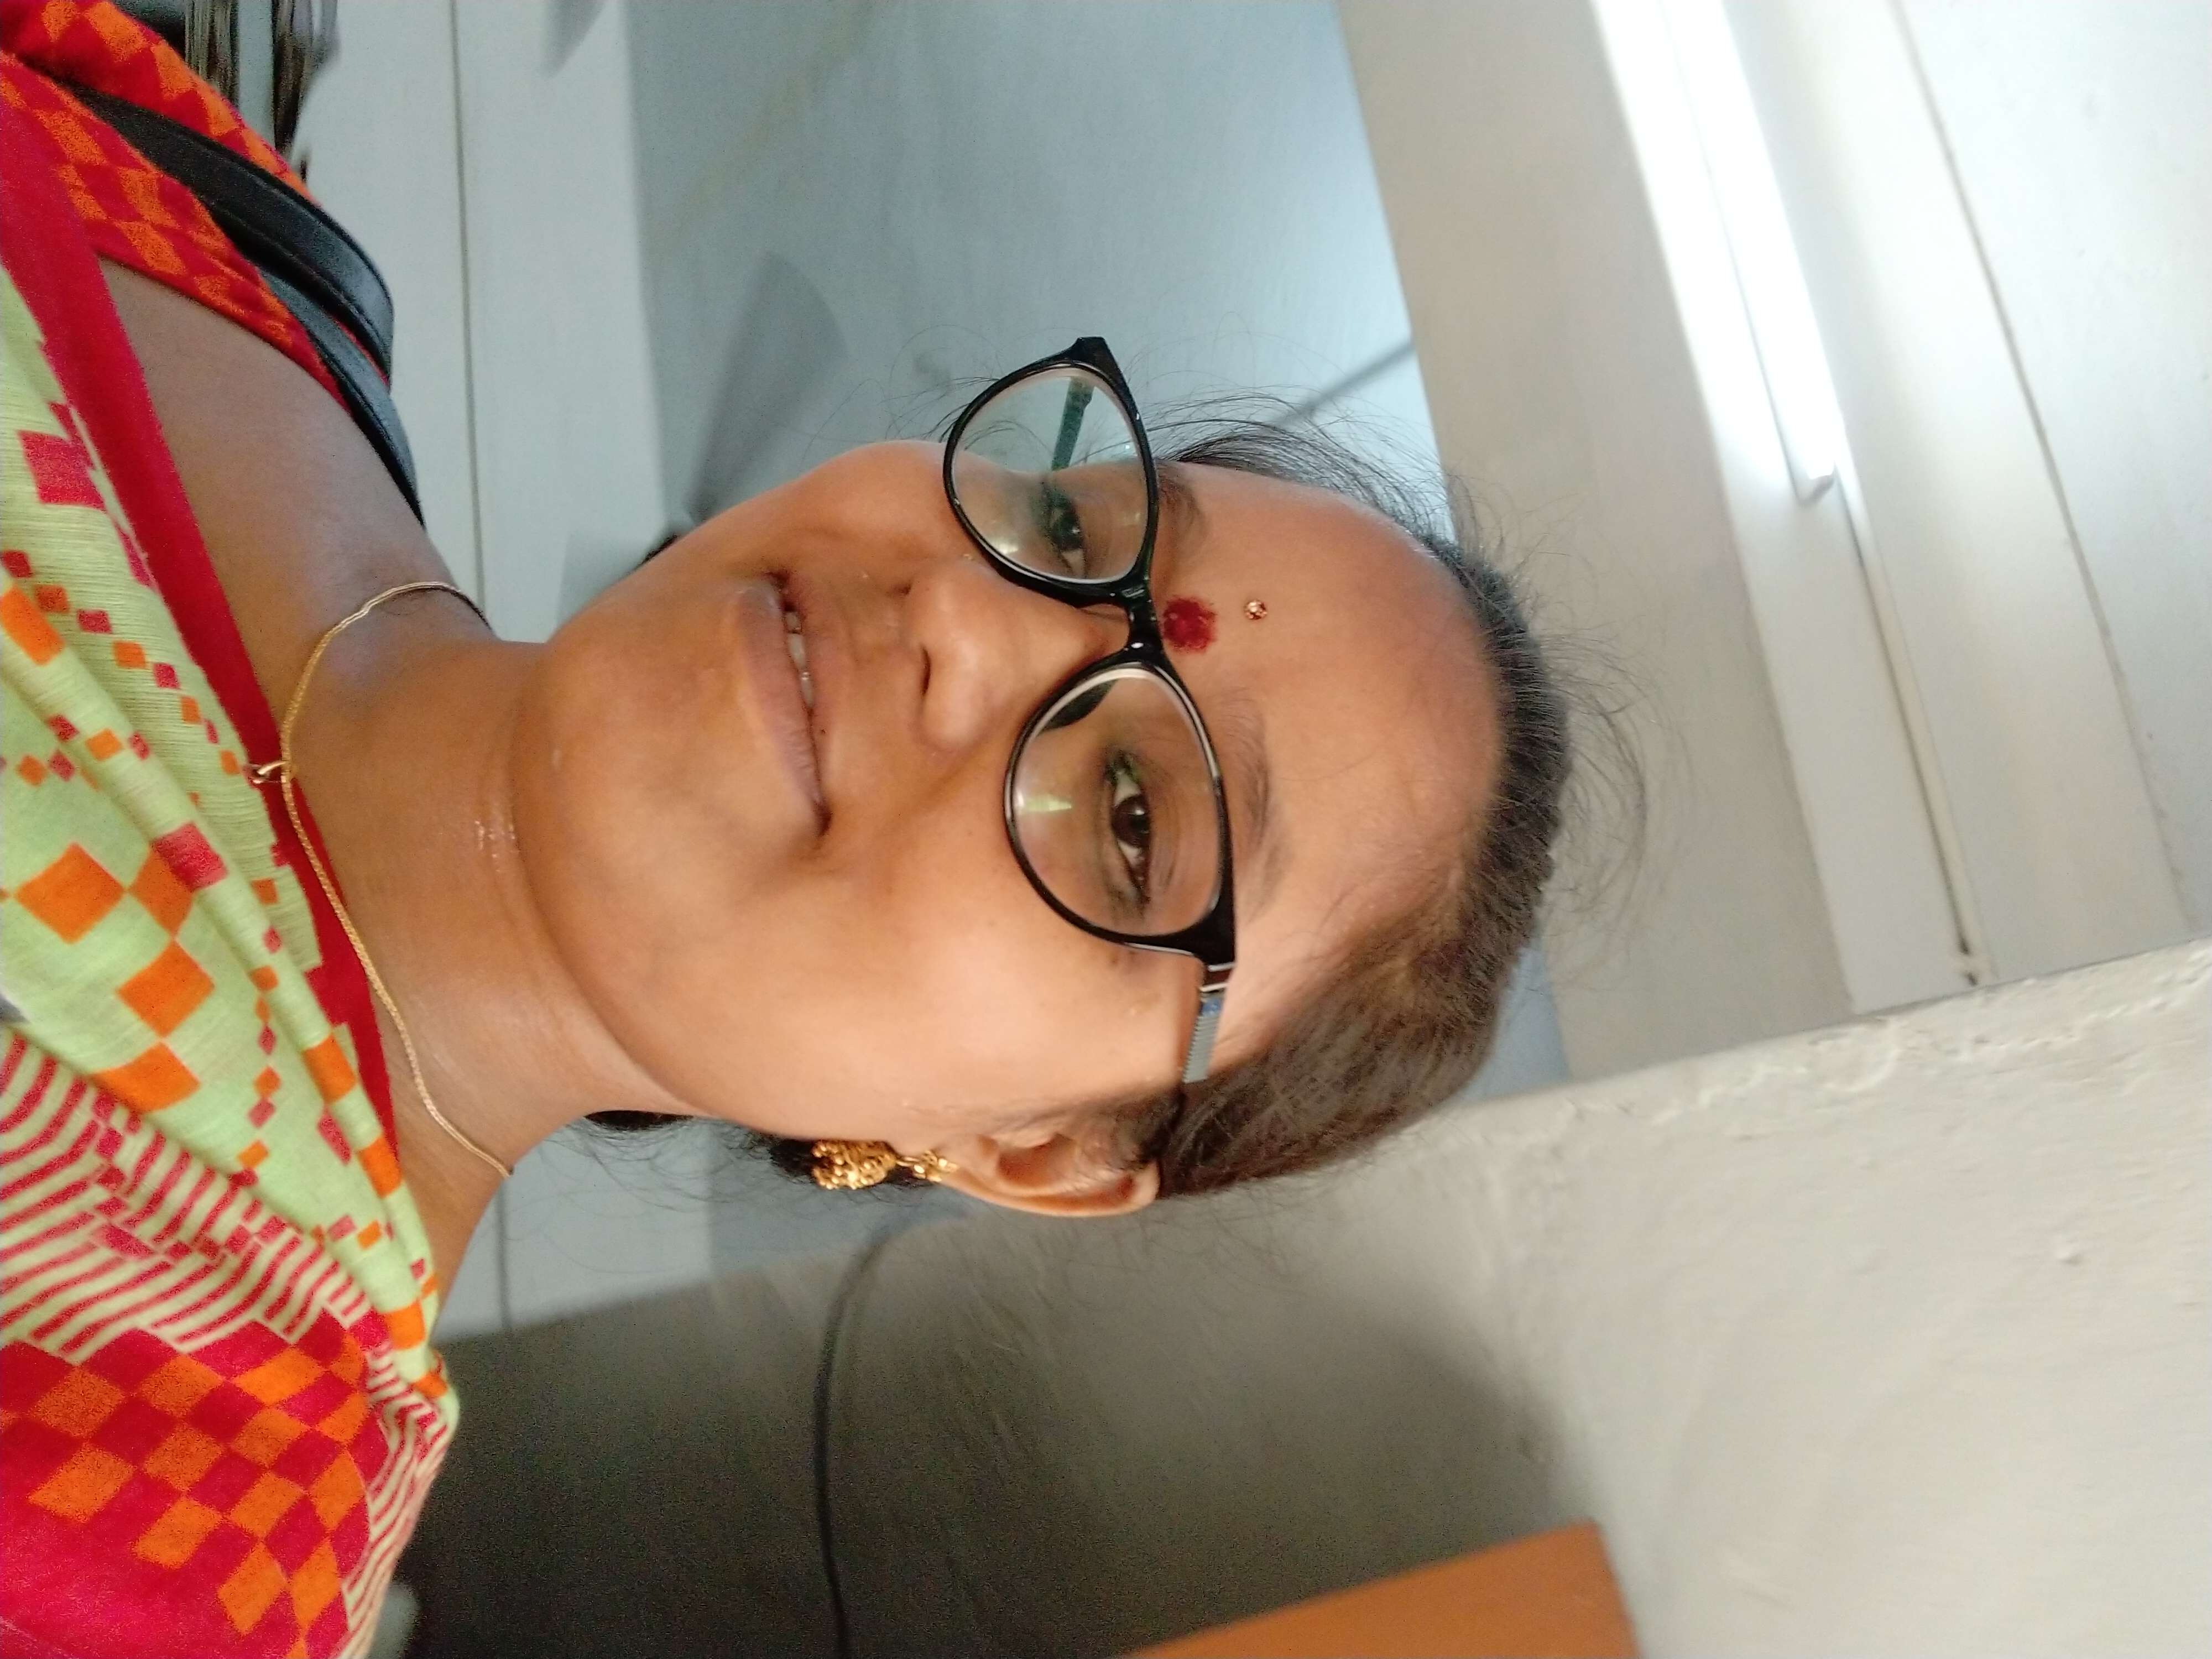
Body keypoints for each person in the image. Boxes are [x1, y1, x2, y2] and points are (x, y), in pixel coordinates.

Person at [0, 3, 1568, 1653]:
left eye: (1131, 816)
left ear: (1034, 1153)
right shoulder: (241, 248)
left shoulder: (182, 1506)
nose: (970, 617)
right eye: (1068, 525)